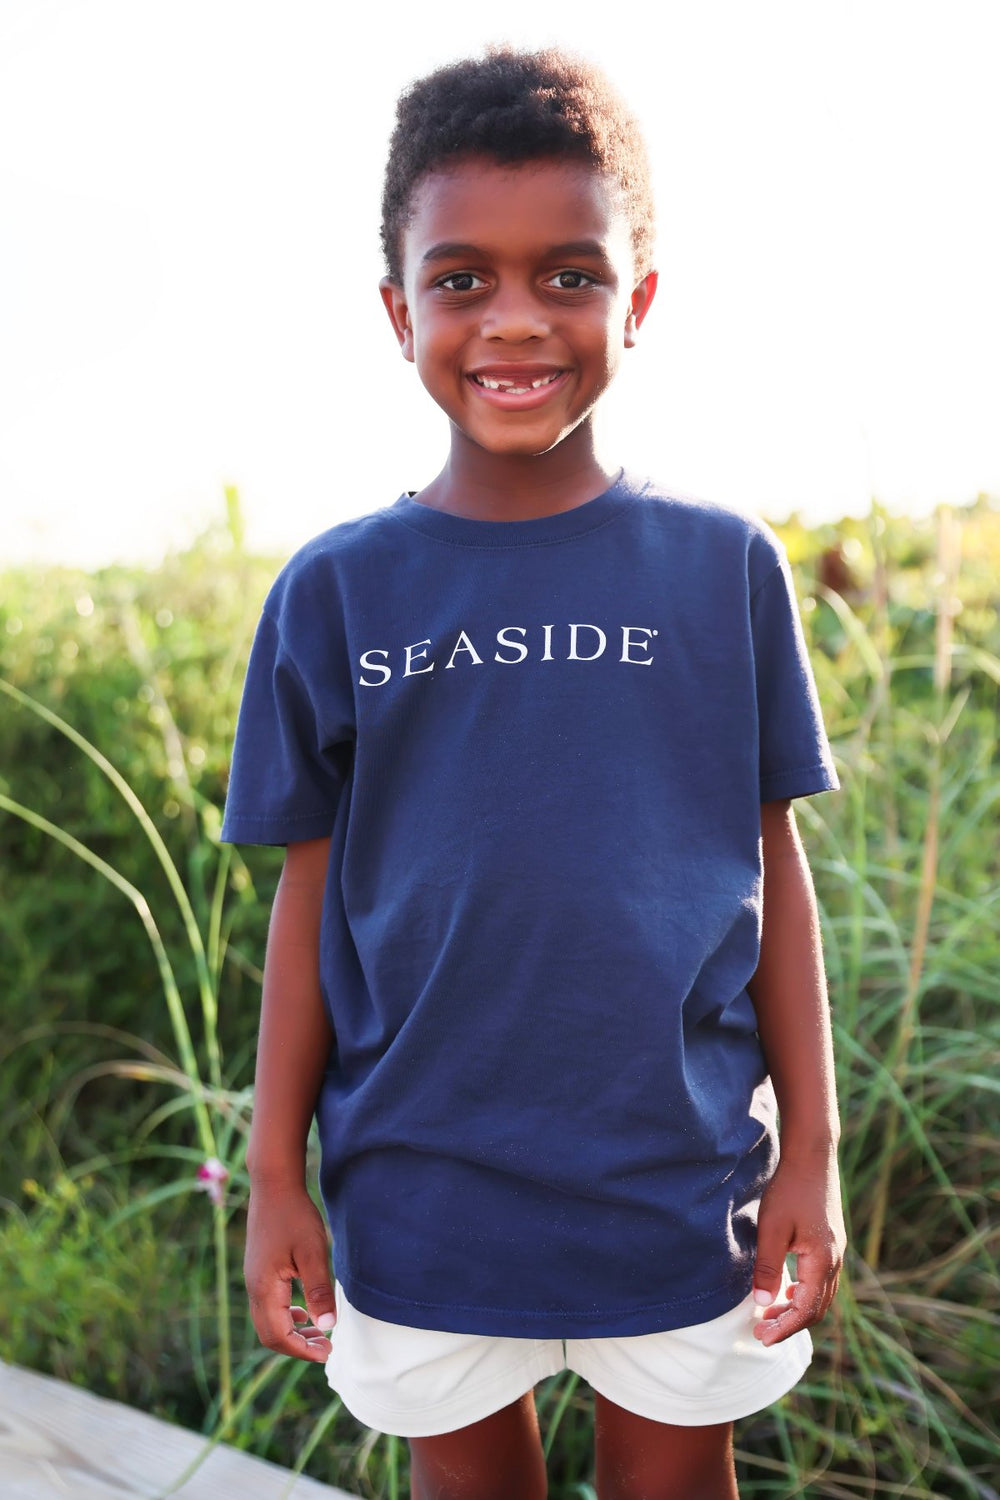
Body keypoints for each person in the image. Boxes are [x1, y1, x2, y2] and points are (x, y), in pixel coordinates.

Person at [221, 45, 846, 1500]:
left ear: (636, 299)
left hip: (675, 1177)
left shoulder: (721, 569)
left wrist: (808, 1148)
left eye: (568, 275)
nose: (515, 318)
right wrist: (269, 1180)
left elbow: (776, 871)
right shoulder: (335, 593)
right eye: (461, 279)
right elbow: (308, 906)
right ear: (398, 309)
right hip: (426, 1185)